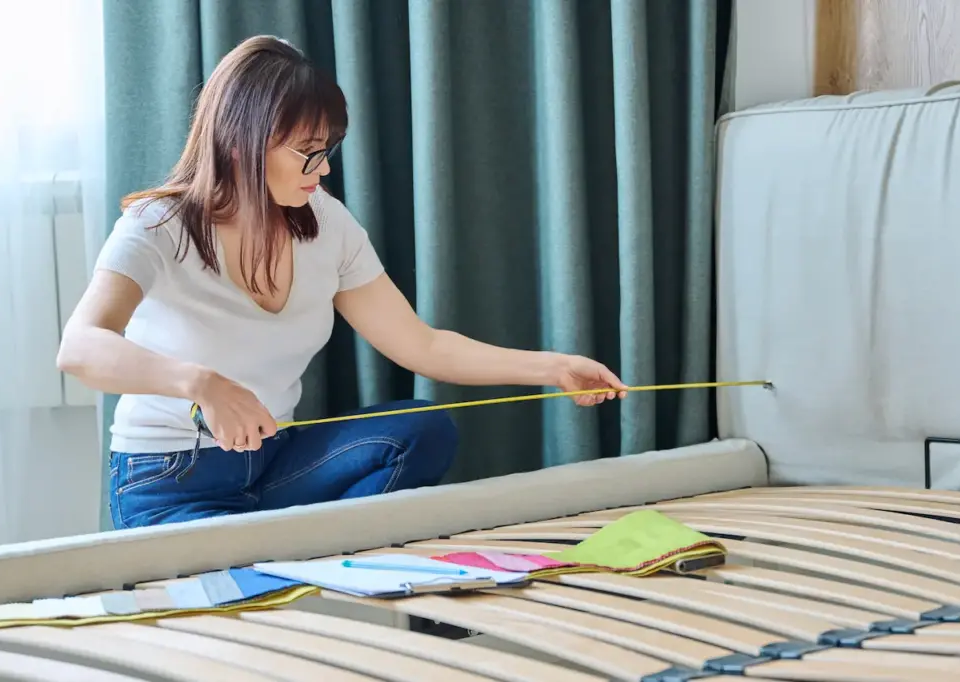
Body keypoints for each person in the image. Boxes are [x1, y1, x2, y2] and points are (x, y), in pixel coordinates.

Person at [57, 35, 627, 530]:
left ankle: (290, 553)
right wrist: (200, 383)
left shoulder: (325, 221)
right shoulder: (158, 225)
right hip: (171, 478)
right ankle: (280, 556)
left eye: (325, 151)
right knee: (247, 588)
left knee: (421, 429)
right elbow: (80, 349)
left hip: (279, 465)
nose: (323, 170)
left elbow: (420, 345)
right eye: (308, 153)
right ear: (242, 143)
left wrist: (552, 368)